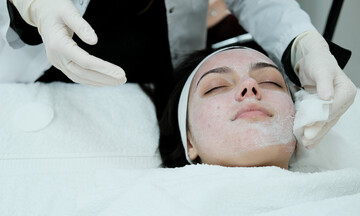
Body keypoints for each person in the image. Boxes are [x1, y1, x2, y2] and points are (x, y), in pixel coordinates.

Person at [0, 0, 357, 148]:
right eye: (217, 84)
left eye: (269, 80)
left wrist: (300, 41)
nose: (250, 86)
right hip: (39, 61)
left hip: (164, 66)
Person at [159, 46, 298, 168]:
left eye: (271, 82)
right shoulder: (155, 194)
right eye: (216, 87)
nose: (249, 84)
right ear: (189, 142)